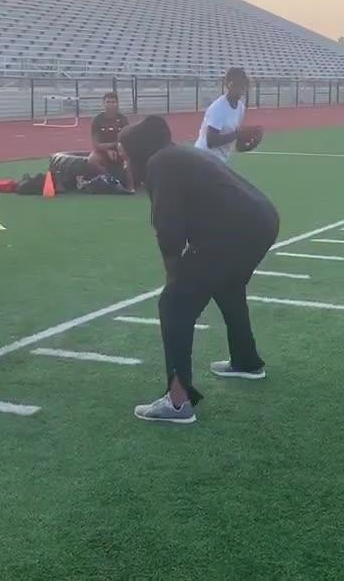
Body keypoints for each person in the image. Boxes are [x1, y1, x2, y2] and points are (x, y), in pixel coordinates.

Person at [120, 115, 280, 424]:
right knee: (228, 286)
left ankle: (178, 402)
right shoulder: (178, 153)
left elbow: (169, 232)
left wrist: (174, 278)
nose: (125, 164)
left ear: (139, 151)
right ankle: (246, 361)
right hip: (261, 221)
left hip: (234, 231)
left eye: (126, 156)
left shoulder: (160, 163)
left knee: (173, 303)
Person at [195, 67, 262, 163]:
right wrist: (238, 134)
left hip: (219, 160)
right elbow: (211, 142)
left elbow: (234, 142)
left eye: (244, 85)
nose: (243, 89)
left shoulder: (240, 108)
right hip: (204, 159)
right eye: (240, 85)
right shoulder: (218, 108)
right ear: (230, 85)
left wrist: (247, 144)